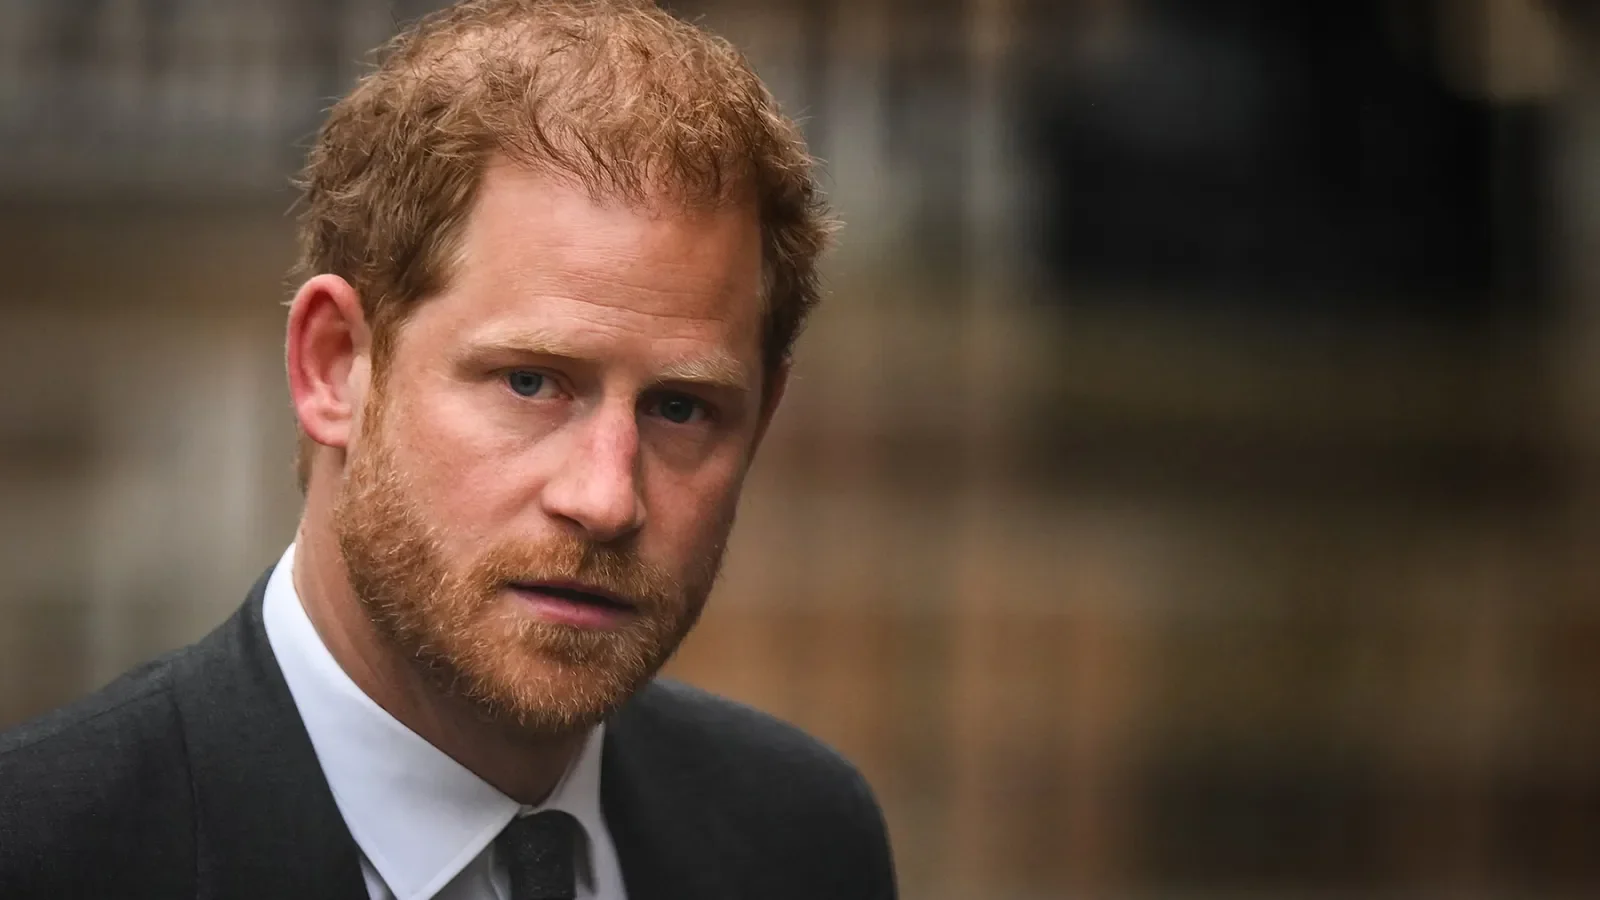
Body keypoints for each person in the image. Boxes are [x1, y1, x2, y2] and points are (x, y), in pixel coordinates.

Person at [0, 2, 897, 898]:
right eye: (530, 382)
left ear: (762, 422)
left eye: (680, 408)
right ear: (333, 366)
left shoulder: (802, 840)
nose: (606, 498)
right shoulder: (45, 852)